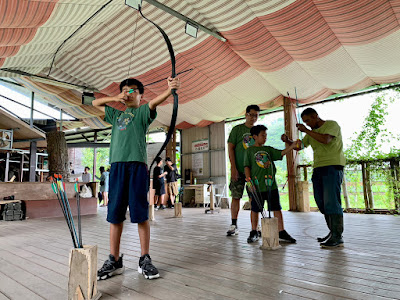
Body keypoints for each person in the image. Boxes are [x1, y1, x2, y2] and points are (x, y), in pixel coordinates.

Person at [93, 76, 180, 280]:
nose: (128, 93)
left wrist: (170, 90)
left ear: (140, 95)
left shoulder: (142, 112)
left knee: (140, 213)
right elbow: (95, 103)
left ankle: (144, 258)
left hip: (137, 167)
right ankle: (114, 260)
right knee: (115, 214)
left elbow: (154, 102)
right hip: (117, 167)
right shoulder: (115, 114)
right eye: (125, 90)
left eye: (133, 90)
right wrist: (116, 97)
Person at [281, 108, 345, 248]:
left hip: (333, 166)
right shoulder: (311, 133)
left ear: (316, 116)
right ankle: (332, 231)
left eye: (309, 120)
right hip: (318, 168)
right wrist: (289, 141)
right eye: (305, 122)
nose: (308, 124)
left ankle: (337, 236)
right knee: (321, 201)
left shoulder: (331, 125)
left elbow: (326, 139)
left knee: (331, 201)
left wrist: (306, 130)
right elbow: (300, 146)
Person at [244, 125, 298, 243]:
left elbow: (281, 153)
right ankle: (254, 231)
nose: (265, 137)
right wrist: (249, 181)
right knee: (255, 209)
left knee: (276, 208)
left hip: (271, 185)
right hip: (257, 186)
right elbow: (247, 166)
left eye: (266, 135)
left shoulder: (268, 149)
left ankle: (281, 231)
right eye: (263, 135)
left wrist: (292, 146)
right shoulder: (249, 151)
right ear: (255, 137)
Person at [226, 104, 260, 236]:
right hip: (238, 170)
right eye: (251, 115)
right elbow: (231, 148)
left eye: (256, 115)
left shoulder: (258, 131)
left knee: (255, 198)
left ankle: (255, 228)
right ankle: (234, 225)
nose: (253, 118)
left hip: (253, 171)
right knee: (236, 196)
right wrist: (233, 168)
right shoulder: (237, 129)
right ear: (246, 115)